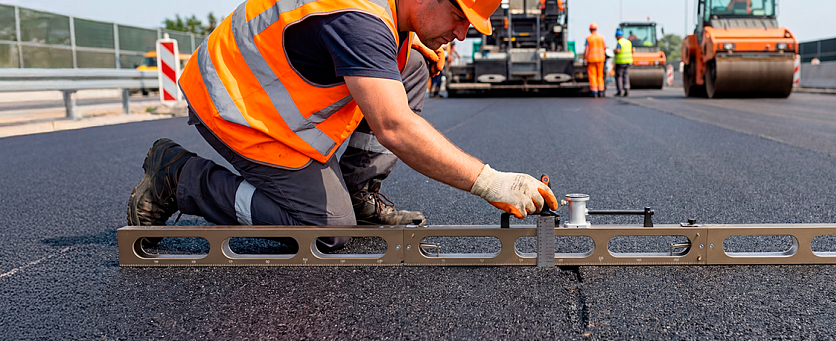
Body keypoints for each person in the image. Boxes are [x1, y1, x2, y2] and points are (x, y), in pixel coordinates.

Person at [126, 0, 558, 253]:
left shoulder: (386, 15)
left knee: (412, 61)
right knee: (327, 230)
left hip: (275, 94)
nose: (463, 34)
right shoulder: (358, 21)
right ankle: (181, 177)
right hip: (237, 106)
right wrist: (490, 182)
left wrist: (416, 44)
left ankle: (355, 192)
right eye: (460, 19)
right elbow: (394, 126)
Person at [583, 23, 606, 98]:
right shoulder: (601, 37)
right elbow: (604, 47)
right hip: (601, 59)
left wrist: (584, 58)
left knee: (593, 75)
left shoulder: (588, 38)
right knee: (600, 76)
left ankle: (594, 91)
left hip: (592, 59)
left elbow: (587, 49)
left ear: (590, 29)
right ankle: (601, 91)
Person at [612, 29, 634, 97]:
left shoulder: (620, 42)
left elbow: (618, 51)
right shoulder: (628, 42)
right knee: (626, 76)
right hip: (628, 62)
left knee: (619, 76)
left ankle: (619, 91)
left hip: (620, 62)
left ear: (618, 36)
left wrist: (614, 51)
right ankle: (626, 89)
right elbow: (632, 50)